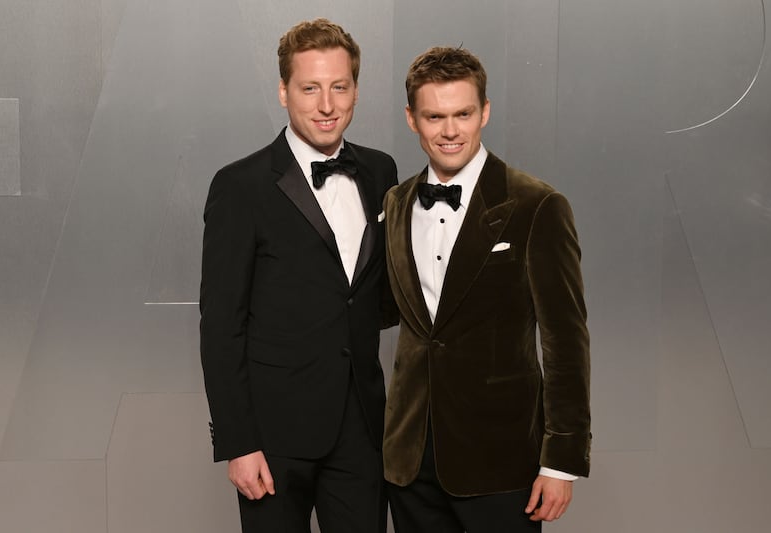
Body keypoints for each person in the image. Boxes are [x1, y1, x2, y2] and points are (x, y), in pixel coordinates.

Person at [199, 18, 397, 533]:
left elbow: (376, 295)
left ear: (356, 90)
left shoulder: (381, 172)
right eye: (310, 88)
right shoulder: (240, 186)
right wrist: (239, 443)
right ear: (284, 92)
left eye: (339, 87)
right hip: (272, 437)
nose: (327, 105)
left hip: (361, 428)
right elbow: (221, 326)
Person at [382, 46, 591, 532]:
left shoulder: (537, 205)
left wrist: (560, 461)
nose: (450, 131)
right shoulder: (396, 203)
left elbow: (565, 341)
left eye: (463, 114)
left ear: (485, 112)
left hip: (502, 459)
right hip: (410, 461)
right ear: (412, 119)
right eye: (434, 116)